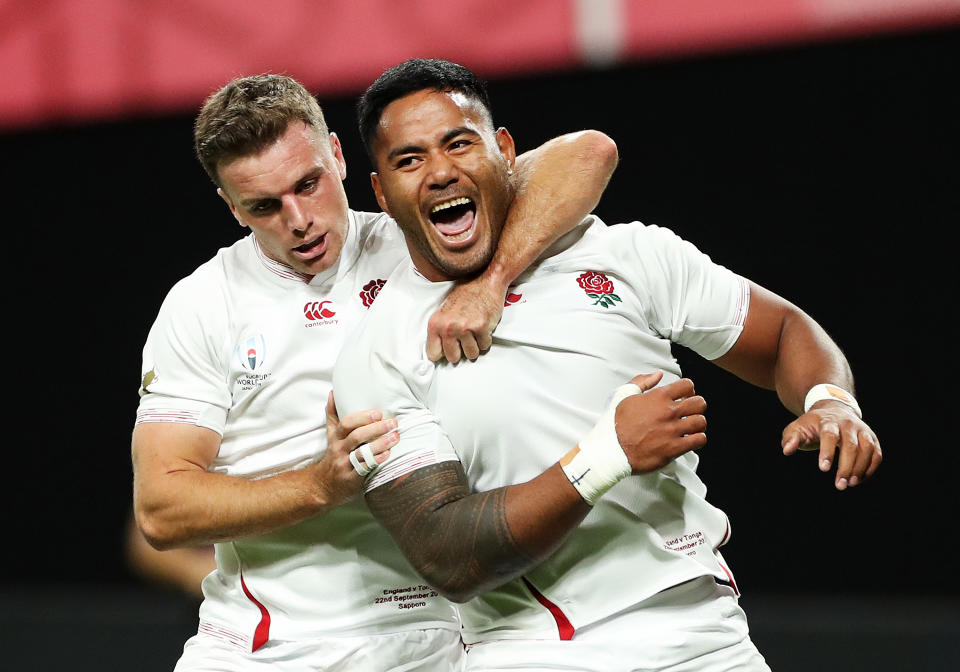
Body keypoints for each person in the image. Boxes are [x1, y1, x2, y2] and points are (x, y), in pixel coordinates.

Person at [333, 58, 883, 671]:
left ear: (507, 150)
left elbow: (782, 331)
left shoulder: (624, 254)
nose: (440, 172)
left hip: (703, 631)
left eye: (459, 143)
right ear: (381, 193)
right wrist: (606, 457)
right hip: (532, 650)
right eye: (409, 160)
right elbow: (448, 554)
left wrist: (829, 400)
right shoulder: (375, 352)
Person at [130, 73, 619, 670]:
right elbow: (160, 507)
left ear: (337, 155)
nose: (299, 219)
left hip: (441, 639)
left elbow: (586, 153)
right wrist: (321, 483)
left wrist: (489, 283)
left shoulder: (421, 246)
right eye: (264, 206)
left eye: (308, 184)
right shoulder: (205, 303)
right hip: (267, 649)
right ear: (231, 208)